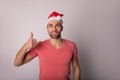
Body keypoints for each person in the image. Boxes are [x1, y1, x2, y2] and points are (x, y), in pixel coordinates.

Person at [14, 11, 81, 80]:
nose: (54, 29)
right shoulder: (40, 46)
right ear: (47, 29)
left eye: (57, 25)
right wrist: (25, 46)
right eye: (50, 26)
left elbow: (76, 68)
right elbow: (17, 63)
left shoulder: (71, 45)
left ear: (62, 28)